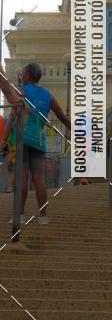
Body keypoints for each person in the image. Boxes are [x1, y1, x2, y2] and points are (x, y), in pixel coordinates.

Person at [9, 62, 70, 224]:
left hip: (22, 137)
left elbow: (14, 115)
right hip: (39, 139)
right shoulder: (48, 95)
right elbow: (63, 118)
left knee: (21, 177)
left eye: (22, 74)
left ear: (27, 76)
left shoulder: (21, 91)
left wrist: (4, 138)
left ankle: (19, 215)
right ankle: (43, 216)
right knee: (38, 178)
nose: (21, 77)